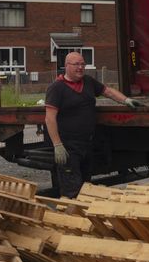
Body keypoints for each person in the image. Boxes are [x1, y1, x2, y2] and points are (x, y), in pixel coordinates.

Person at [44, 52, 143, 198]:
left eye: (83, 64)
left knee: (86, 187)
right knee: (72, 190)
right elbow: (49, 119)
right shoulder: (57, 88)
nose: (80, 67)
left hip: (86, 144)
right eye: (76, 64)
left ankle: (85, 218)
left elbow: (107, 91)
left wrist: (126, 100)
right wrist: (57, 145)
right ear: (66, 66)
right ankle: (72, 218)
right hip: (68, 148)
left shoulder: (88, 82)